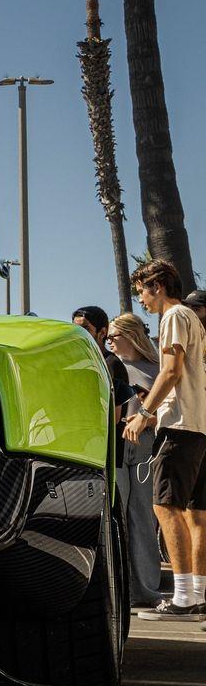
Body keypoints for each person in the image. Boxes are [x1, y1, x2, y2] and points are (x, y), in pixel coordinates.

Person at [123, 259, 206, 620]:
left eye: (141, 291)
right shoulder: (192, 319)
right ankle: (196, 595)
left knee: (166, 507)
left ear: (156, 285)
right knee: (194, 513)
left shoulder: (173, 316)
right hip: (196, 426)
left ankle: (183, 599)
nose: (141, 300)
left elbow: (171, 371)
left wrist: (144, 413)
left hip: (180, 428)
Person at [106, 312, 163, 607]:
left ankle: (146, 590)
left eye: (113, 336)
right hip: (116, 445)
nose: (109, 342)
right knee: (117, 518)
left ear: (130, 335)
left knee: (143, 518)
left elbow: (172, 407)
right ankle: (120, 589)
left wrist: (148, 418)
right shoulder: (108, 365)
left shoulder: (157, 368)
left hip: (146, 445)